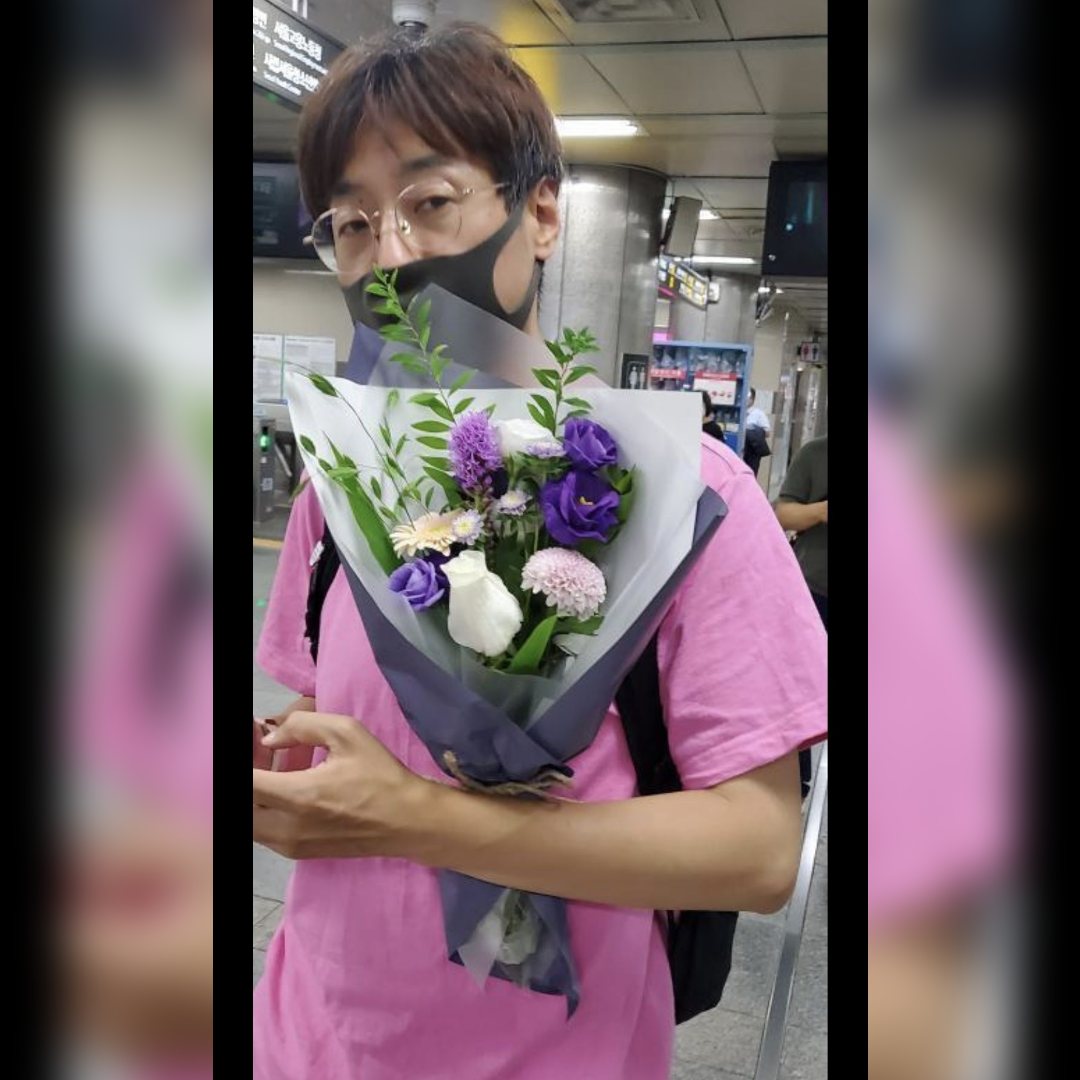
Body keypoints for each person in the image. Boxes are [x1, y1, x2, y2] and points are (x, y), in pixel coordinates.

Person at [252, 25, 827, 1080]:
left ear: (544, 215)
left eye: (431, 202)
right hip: (310, 1032)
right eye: (352, 224)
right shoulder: (337, 489)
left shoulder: (686, 496)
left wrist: (426, 820)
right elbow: (331, 714)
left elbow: (757, 851)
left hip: (561, 1053)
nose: (391, 257)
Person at [742, 387, 772, 476]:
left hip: (752, 450)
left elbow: (767, 433)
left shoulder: (759, 414)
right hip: (739, 447)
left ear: (753, 399)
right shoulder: (737, 412)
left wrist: (751, 431)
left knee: (750, 474)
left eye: (748, 397)